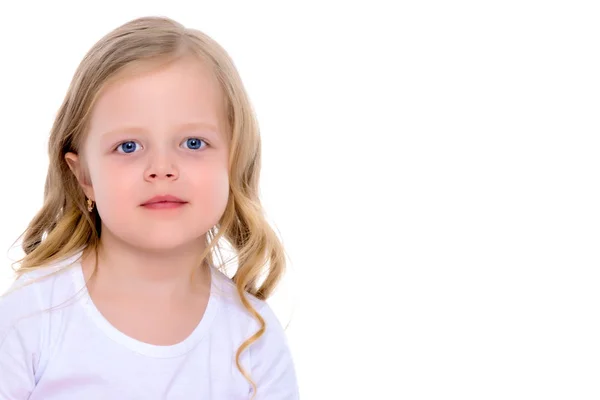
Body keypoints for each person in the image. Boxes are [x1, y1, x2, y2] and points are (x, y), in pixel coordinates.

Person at [0, 16, 298, 399]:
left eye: (193, 143)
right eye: (128, 147)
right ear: (84, 176)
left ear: (233, 161)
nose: (162, 169)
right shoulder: (29, 318)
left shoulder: (253, 338)